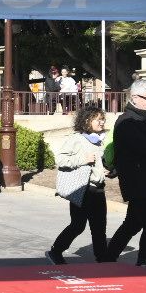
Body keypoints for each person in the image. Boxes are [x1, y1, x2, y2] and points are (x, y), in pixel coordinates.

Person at [99, 79, 146, 273]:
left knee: (134, 224)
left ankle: (108, 257)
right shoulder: (127, 122)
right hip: (139, 184)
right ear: (135, 98)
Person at [47, 104, 109, 263]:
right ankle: (56, 251)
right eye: (97, 119)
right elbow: (60, 160)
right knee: (78, 225)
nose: (101, 122)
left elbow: (98, 164)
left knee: (99, 228)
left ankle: (102, 260)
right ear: (87, 120)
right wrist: (82, 160)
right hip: (82, 188)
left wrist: (107, 171)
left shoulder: (100, 140)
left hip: (98, 189)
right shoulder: (77, 139)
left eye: (102, 119)